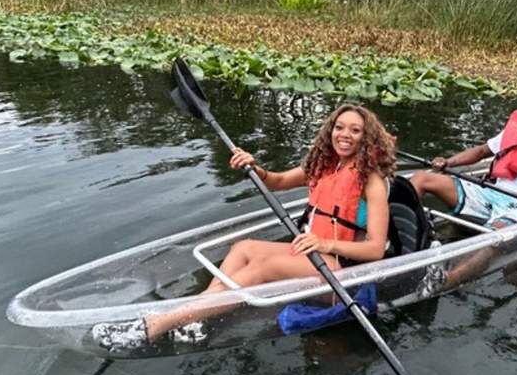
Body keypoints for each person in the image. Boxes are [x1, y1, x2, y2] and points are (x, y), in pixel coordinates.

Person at [92, 103, 396, 352]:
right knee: (244, 248)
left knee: (260, 269)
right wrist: (255, 167)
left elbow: (374, 250)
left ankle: (154, 326)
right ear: (331, 130)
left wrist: (326, 244)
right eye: (340, 127)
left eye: (355, 130)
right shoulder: (324, 165)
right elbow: (275, 181)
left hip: (342, 275)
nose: (345, 135)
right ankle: (196, 317)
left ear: (366, 137)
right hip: (313, 256)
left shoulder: (371, 181)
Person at [411, 79, 517, 228]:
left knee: (496, 232)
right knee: (421, 178)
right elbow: (481, 151)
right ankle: (402, 234)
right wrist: (448, 163)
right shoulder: (516, 130)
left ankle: (449, 271)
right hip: (489, 193)